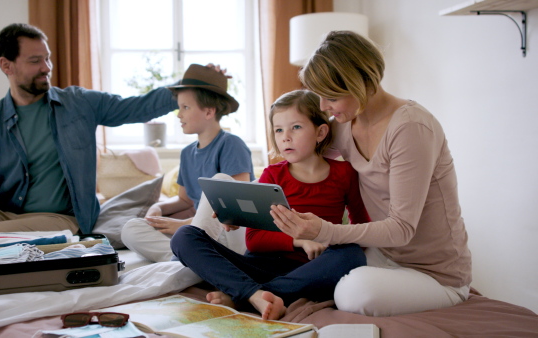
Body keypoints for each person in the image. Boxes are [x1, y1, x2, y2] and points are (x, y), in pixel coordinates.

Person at [271, 30, 473, 317]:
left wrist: (324, 231)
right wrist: (244, 205)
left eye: (331, 97)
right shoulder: (344, 124)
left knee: (352, 291)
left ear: (361, 82)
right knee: (330, 262)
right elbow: (299, 163)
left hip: (435, 274)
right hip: (382, 255)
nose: (323, 107)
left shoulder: (411, 128)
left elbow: (402, 228)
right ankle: (255, 292)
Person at [0, 22, 183, 248]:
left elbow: (138, 107)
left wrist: (191, 85)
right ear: (6, 65)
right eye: (35, 61)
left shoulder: (79, 104)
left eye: (48, 58)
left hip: (62, 217)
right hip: (6, 213)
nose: (46, 68)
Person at [170, 89, 369, 320]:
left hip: (311, 270)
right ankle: (254, 293)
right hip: (258, 267)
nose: (285, 136)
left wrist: (327, 240)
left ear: (320, 132)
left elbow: (361, 227)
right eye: (278, 130)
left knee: (352, 254)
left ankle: (244, 296)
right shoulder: (272, 175)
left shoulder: (344, 173)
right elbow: (254, 241)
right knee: (184, 236)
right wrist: (300, 240)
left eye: (296, 127)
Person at [121, 64, 255, 262]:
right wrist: (159, 208)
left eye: (185, 107)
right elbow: (185, 201)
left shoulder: (231, 144)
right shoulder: (187, 153)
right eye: (179, 107)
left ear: (209, 112)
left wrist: (186, 225)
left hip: (226, 231)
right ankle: (193, 261)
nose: (179, 115)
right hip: (197, 233)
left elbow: (236, 209)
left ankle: (191, 259)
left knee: (221, 180)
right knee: (130, 229)